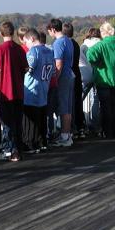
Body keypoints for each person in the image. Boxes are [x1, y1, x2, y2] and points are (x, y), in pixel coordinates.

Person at [0, 21, 28, 161]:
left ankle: (9, 150)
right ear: (13, 33)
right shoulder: (19, 49)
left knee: (7, 123)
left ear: (1, 34)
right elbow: (25, 69)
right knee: (18, 122)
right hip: (19, 90)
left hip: (5, 92)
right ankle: (18, 149)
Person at [87, 22, 115, 139]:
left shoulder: (102, 45)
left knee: (106, 107)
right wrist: (114, 28)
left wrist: (97, 64)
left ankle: (108, 132)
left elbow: (90, 55)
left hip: (104, 79)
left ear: (103, 33)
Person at [22, 29, 55, 152]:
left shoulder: (33, 52)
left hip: (31, 90)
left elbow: (28, 69)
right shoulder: (49, 51)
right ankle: (42, 142)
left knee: (30, 121)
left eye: (26, 41)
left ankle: (30, 144)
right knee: (41, 119)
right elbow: (53, 72)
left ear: (31, 39)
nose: (25, 45)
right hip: (44, 89)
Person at [47, 19, 75, 147]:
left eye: (50, 31)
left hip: (63, 77)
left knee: (63, 108)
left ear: (53, 29)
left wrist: (54, 80)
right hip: (70, 75)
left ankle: (64, 136)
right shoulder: (68, 41)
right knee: (68, 108)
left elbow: (58, 64)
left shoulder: (58, 43)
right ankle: (67, 134)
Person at [63, 23, 86, 139]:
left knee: (71, 103)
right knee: (78, 102)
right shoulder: (76, 44)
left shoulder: (66, 44)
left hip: (69, 75)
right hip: (77, 74)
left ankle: (72, 128)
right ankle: (80, 126)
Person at [80, 28, 101, 134]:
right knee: (96, 100)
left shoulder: (84, 45)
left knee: (80, 98)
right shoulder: (101, 44)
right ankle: (95, 125)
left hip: (86, 74)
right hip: (99, 74)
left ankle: (82, 124)